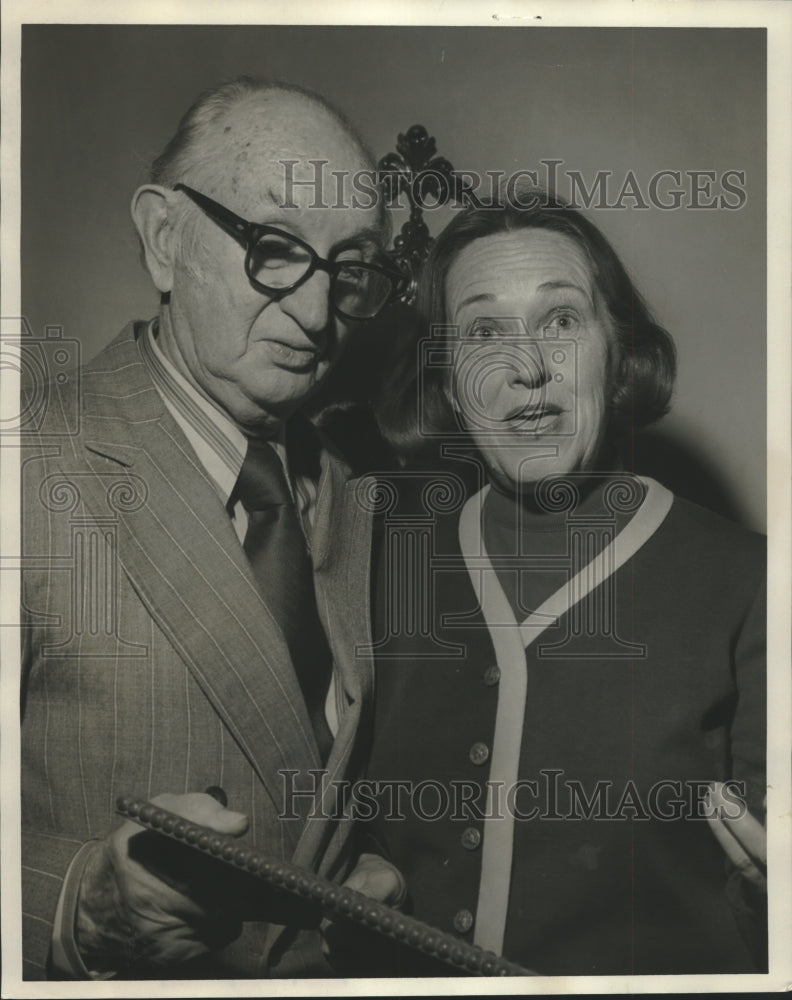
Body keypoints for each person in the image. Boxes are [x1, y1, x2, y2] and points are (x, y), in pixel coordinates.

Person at [20, 77, 405, 980]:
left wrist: (381, 874)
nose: (316, 317)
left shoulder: (368, 501)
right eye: (275, 249)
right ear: (164, 239)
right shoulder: (27, 466)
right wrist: (75, 902)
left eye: (347, 270)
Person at [364, 194, 767, 975]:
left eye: (560, 321)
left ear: (617, 354)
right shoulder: (388, 571)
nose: (527, 368)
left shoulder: (751, 583)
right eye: (484, 332)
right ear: (447, 381)